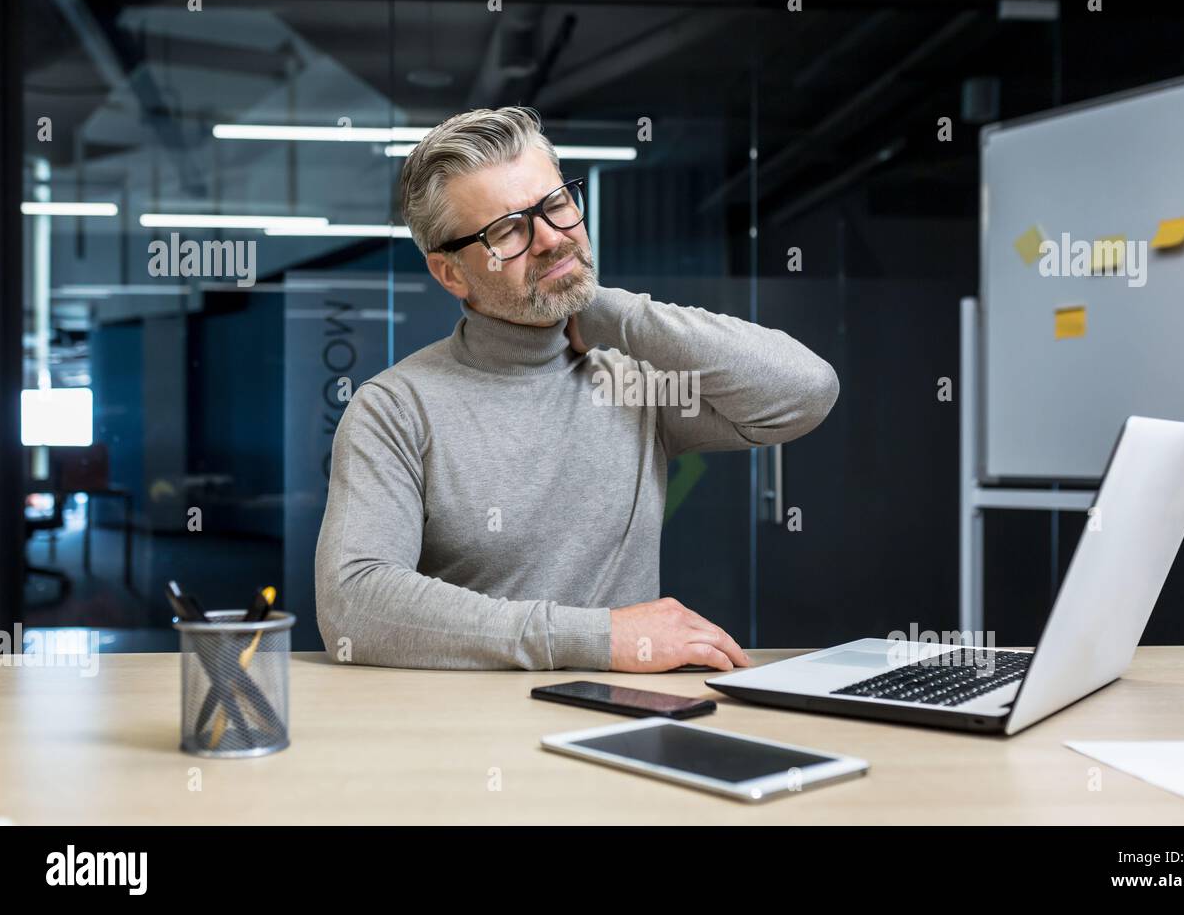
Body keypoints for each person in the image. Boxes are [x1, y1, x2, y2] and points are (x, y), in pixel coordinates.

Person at [315, 105, 838, 671]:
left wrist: (610, 312)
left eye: (557, 205)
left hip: (625, 719)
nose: (550, 239)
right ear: (451, 273)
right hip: (471, 730)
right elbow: (354, 603)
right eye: (508, 230)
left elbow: (805, 391)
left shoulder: (633, 383)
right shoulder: (394, 409)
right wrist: (598, 636)